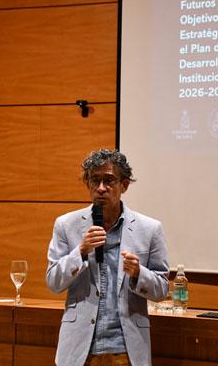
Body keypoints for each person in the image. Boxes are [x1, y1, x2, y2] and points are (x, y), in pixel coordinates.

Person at [46, 149, 169, 366]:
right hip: (79, 350)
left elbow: (162, 290)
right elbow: (53, 282)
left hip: (126, 349)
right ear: (88, 184)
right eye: (95, 180)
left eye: (109, 180)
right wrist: (80, 252)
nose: (101, 188)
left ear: (124, 185)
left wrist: (138, 273)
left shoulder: (149, 229)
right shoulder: (66, 225)